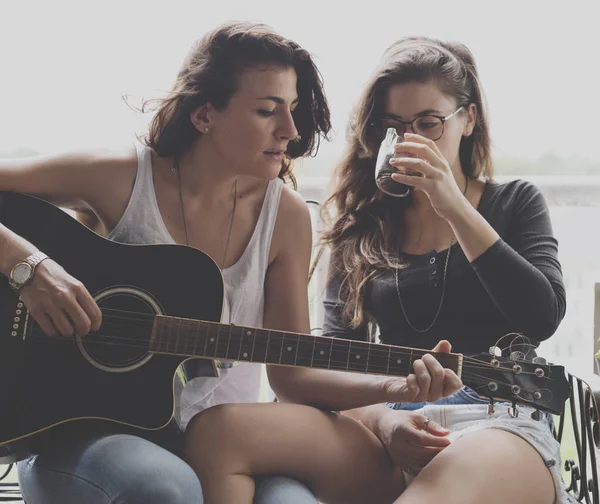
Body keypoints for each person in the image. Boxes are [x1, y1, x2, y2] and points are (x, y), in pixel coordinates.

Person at [183, 36, 572, 504]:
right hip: (389, 422)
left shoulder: (514, 203)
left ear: (468, 119)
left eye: (429, 124)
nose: (412, 140)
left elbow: (541, 317)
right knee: (217, 432)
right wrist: (386, 422)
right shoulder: (364, 225)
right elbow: (331, 358)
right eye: (395, 127)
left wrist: (451, 205)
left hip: (498, 422)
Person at [0, 20, 340, 504]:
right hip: (77, 433)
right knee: (165, 488)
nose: (290, 129)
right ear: (204, 116)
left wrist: (397, 387)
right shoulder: (119, 178)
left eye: (292, 109)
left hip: (227, 446)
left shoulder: (284, 214)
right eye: (267, 110)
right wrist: (27, 267)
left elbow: (293, 374)